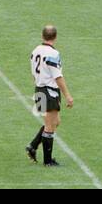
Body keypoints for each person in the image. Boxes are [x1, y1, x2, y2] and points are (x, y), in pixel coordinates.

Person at [27, 24, 73, 167]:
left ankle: (33, 146)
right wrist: (67, 95)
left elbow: (34, 73)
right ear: (55, 37)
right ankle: (48, 160)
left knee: (54, 122)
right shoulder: (53, 54)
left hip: (39, 89)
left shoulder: (35, 51)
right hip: (50, 91)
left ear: (42, 36)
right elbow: (58, 76)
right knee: (50, 125)